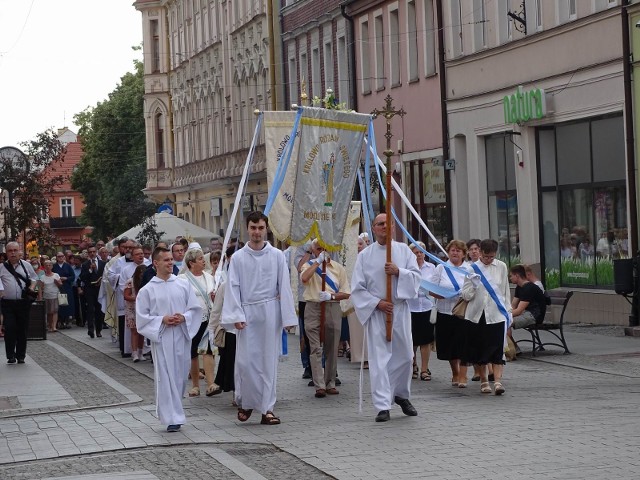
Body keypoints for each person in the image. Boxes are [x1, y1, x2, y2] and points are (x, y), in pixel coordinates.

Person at [221, 211, 298, 425]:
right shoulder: (237, 258)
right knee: (246, 362)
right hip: (247, 313)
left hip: (270, 311)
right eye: (253, 228)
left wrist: (287, 318)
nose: (257, 232)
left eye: (260, 228)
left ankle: (267, 408)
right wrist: (235, 314)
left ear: (266, 229)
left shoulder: (276, 256)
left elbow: (284, 285)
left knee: (268, 362)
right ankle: (246, 402)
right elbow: (233, 288)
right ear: (248, 229)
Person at [351, 214, 421, 422]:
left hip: (399, 309)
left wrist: (399, 272)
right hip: (378, 311)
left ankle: (400, 395)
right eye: (379, 224)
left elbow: (416, 278)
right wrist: (376, 303)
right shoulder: (365, 256)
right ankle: (382, 405)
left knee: (406, 356)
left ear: (392, 226)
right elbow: (357, 288)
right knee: (380, 360)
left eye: (387, 223)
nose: (384, 227)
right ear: (373, 229)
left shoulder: (403, 251)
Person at [136, 247, 202, 432]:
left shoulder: (183, 284)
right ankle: (172, 417)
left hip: (181, 335)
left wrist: (184, 318)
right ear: (155, 263)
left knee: (180, 376)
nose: (170, 263)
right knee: (166, 377)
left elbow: (195, 309)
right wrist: (161, 320)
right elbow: (142, 319)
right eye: (166, 260)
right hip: (163, 338)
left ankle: (176, 410)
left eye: (171, 259)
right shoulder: (147, 290)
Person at [300, 239, 351, 398]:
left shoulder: (338, 268)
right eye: (318, 248)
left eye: (324, 248)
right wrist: (317, 263)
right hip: (313, 306)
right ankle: (319, 385)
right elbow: (304, 278)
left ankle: (330, 382)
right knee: (315, 347)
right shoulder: (308, 265)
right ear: (313, 250)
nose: (322, 251)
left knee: (332, 347)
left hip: (332, 305)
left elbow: (346, 292)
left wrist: (332, 295)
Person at [460, 239, 511, 396]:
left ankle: (497, 381)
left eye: (492, 256)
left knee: (496, 349)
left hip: (496, 314)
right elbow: (465, 295)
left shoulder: (501, 266)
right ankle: (483, 381)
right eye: (486, 256)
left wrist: (508, 312)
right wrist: (474, 285)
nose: (489, 259)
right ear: (480, 252)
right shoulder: (472, 269)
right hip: (477, 315)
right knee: (480, 349)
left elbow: (505, 291)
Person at [179, 248, 220, 397]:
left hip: (209, 319)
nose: (204, 260)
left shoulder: (209, 277)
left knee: (208, 349)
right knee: (193, 352)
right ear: (191, 263)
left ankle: (211, 384)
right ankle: (195, 386)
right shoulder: (182, 279)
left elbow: (213, 295)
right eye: (201, 259)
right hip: (193, 320)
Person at [431, 240, 470, 387]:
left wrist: (464, 293)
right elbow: (432, 289)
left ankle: (463, 375)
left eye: (458, 251)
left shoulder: (469, 269)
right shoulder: (441, 268)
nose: (455, 253)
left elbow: (475, 288)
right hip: (445, 312)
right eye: (452, 250)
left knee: (464, 344)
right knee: (450, 346)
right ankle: (455, 372)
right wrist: (443, 294)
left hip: (463, 313)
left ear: (463, 254)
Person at [209, 245, 240, 400]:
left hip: (248, 330)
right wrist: (211, 330)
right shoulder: (224, 286)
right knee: (232, 363)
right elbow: (216, 310)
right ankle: (236, 393)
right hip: (231, 331)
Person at [0, 242, 39, 364]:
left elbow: (34, 278)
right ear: (7, 253)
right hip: (8, 303)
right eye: (10, 251)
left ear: (19, 252)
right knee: (10, 328)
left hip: (23, 302)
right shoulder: (2, 267)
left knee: (22, 328)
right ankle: (10, 355)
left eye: (15, 250)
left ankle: (21, 355)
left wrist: (31, 287)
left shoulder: (26, 265)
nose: (13, 253)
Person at [407, 242, 436, 381]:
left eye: (421, 252)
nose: (418, 254)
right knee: (411, 340)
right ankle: (413, 365)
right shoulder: (407, 268)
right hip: (410, 308)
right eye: (415, 252)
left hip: (426, 307)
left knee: (426, 340)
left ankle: (425, 369)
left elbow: (435, 287)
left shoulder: (431, 268)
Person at [508, 264, 547, 330]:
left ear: (517, 276)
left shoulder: (529, 288)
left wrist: (502, 316)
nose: (510, 278)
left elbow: (518, 311)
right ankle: (508, 340)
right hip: (525, 313)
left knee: (505, 322)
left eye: (511, 276)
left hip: (534, 316)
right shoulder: (519, 287)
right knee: (502, 322)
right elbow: (513, 306)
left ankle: (507, 340)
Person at [80, 245, 106, 338]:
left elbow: (105, 276)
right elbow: (82, 277)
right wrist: (90, 270)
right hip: (89, 289)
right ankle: (90, 330)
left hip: (99, 289)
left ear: (96, 252)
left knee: (99, 310)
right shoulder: (85, 264)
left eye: (93, 252)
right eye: (90, 252)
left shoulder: (103, 263)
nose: (92, 253)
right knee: (90, 309)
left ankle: (98, 330)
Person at [124, 263, 148, 362]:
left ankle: (141, 352)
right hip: (132, 309)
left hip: (142, 309)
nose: (142, 275)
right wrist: (136, 298)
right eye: (141, 273)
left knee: (141, 331)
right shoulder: (130, 282)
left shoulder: (146, 282)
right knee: (134, 331)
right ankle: (134, 353)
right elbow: (126, 295)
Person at [38, 260, 63, 332]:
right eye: (46, 265)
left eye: (49, 265)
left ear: (52, 266)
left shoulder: (56, 275)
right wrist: (40, 297)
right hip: (46, 296)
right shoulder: (42, 277)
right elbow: (40, 288)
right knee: (49, 312)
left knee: (55, 311)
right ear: (44, 267)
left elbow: (60, 285)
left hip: (55, 295)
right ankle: (50, 325)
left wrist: (57, 282)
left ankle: (54, 326)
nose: (48, 267)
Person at [53, 251, 75, 329]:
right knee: (59, 305)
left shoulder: (68, 266)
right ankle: (60, 321)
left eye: (62, 256)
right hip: (57, 287)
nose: (61, 258)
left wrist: (66, 278)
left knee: (67, 304)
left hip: (67, 287)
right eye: (59, 256)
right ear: (56, 258)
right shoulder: (54, 266)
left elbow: (73, 276)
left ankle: (67, 321)